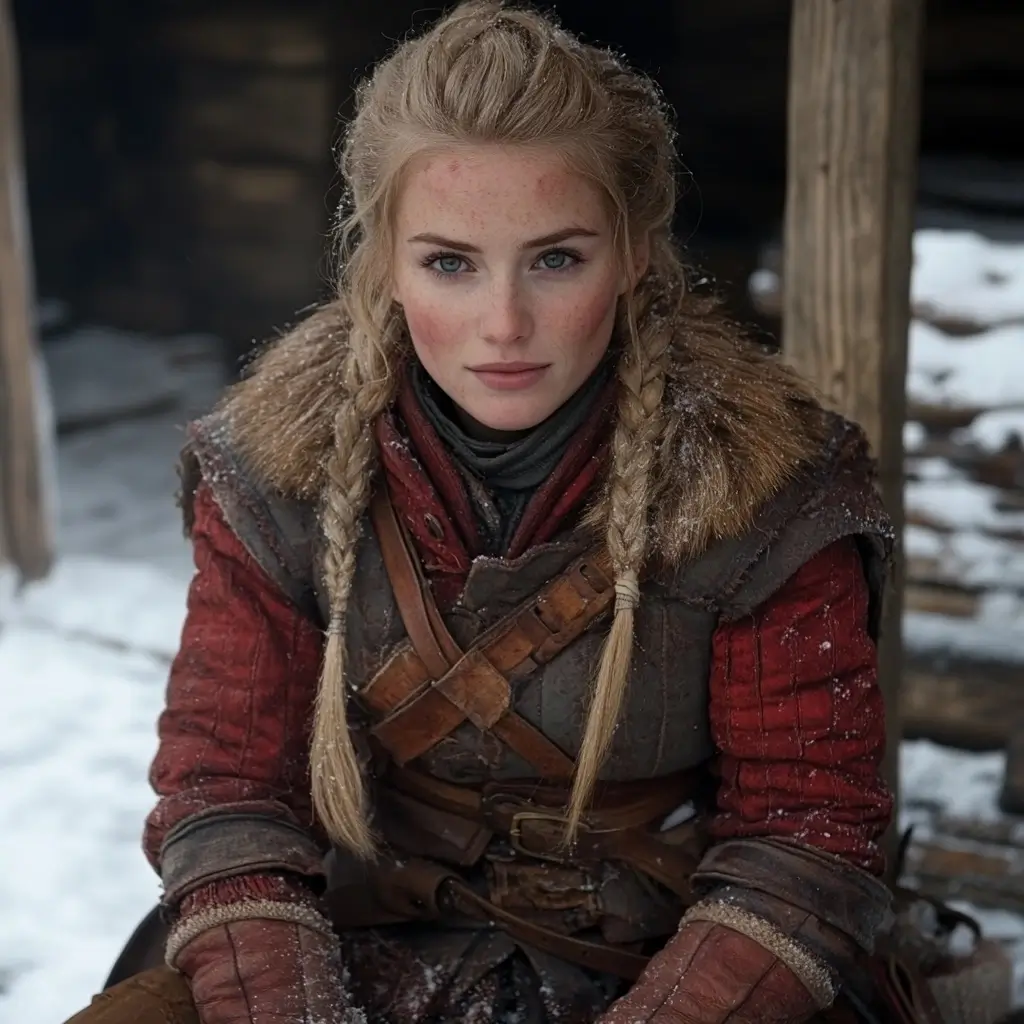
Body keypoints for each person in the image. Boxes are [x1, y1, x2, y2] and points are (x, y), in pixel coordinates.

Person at [65, 4, 1011, 1023]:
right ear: (384, 258)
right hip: (352, 942)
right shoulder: (274, 467)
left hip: (676, 953)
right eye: (449, 263)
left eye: (556, 259)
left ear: (635, 251)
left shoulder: (763, 486)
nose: (503, 325)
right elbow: (227, 787)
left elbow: (805, 834)